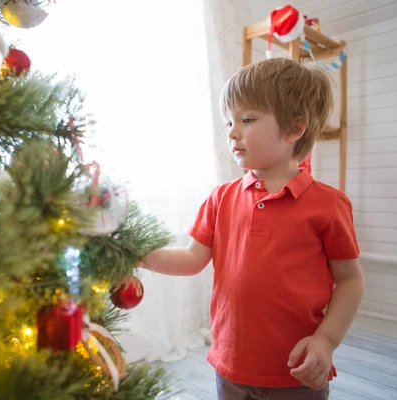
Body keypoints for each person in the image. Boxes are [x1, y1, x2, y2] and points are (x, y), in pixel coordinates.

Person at [138, 58, 364, 400]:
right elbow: (190, 259)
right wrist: (137, 253)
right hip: (229, 365)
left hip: (296, 371)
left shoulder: (328, 205)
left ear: (293, 128)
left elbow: (350, 279)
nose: (231, 132)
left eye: (247, 119)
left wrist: (326, 340)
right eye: (229, 121)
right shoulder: (221, 198)